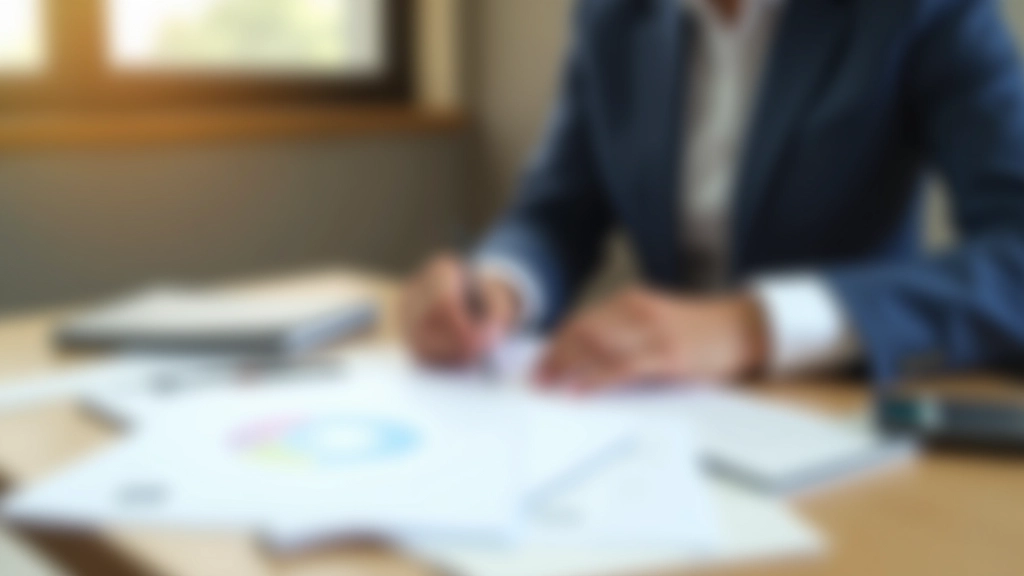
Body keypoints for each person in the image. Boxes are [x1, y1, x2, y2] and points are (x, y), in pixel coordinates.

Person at [402, 0, 1024, 392]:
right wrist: (496, 289)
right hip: (658, 412)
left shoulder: (931, 10)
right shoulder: (610, 17)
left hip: (839, 402)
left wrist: (754, 326)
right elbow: (556, 212)